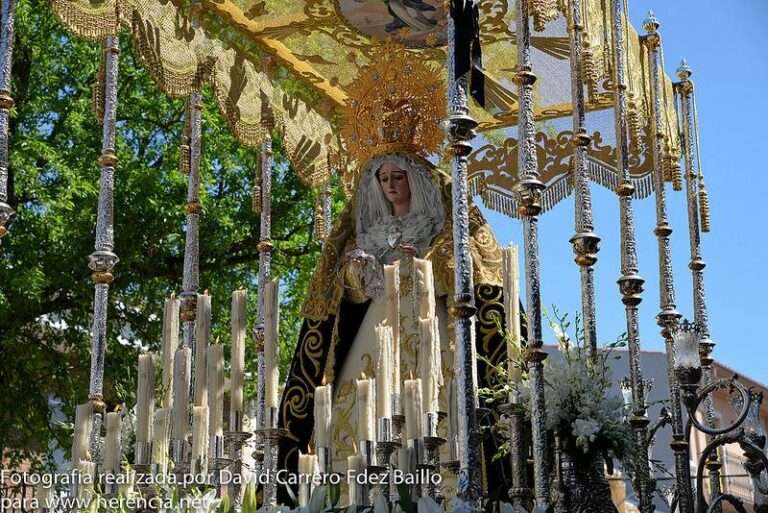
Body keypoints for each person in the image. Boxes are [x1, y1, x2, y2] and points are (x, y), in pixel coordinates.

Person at [277, 150, 515, 503]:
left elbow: (465, 277)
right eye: (383, 178)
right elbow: (348, 294)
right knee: (363, 412)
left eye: (398, 176)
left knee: (441, 408)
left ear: (414, 180)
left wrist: (423, 263)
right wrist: (359, 270)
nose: (390, 184)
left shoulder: (441, 229)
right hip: (376, 332)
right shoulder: (368, 234)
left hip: (430, 326)